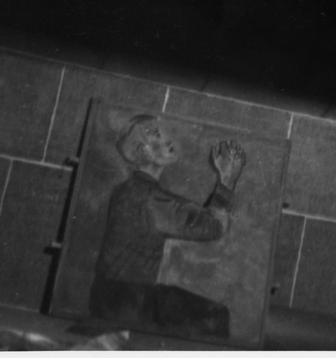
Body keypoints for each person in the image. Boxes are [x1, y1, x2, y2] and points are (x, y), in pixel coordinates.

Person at [90, 115, 246, 339]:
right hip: (128, 305)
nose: (165, 137)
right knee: (216, 317)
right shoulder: (151, 200)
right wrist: (227, 180)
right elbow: (213, 226)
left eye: (161, 131)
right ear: (142, 151)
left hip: (113, 296)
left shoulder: (130, 190)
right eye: (154, 134)